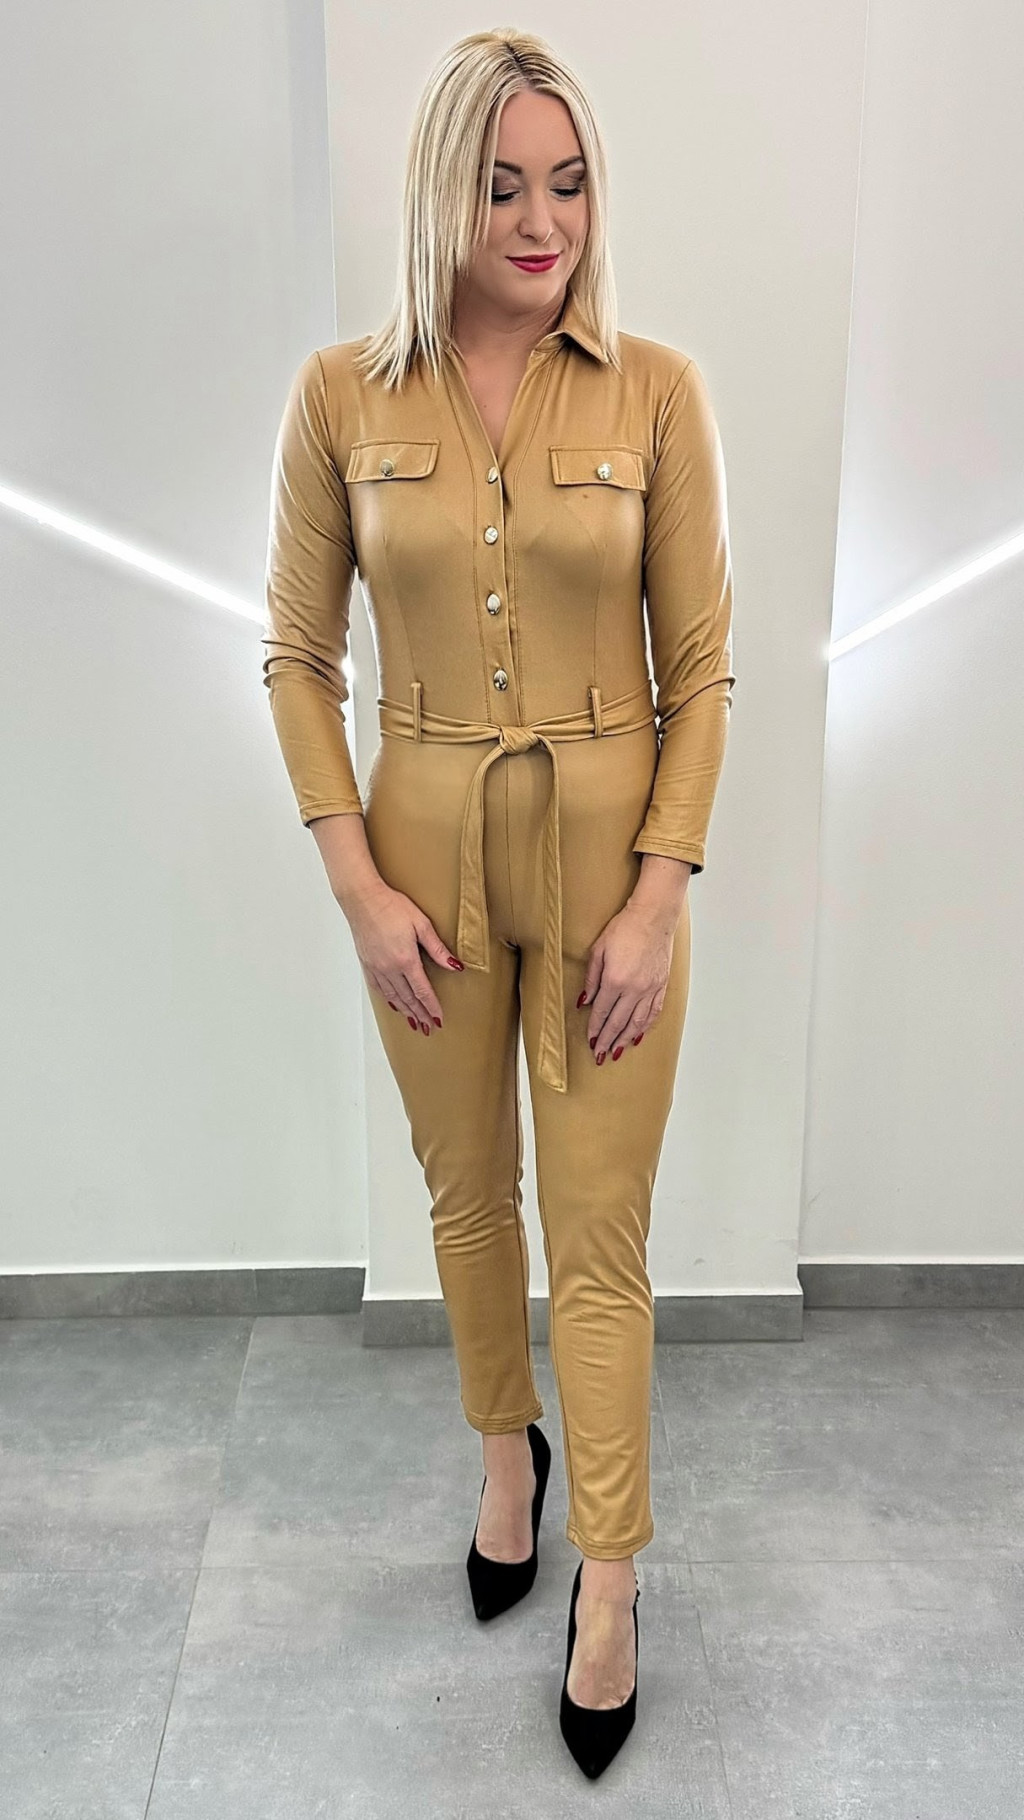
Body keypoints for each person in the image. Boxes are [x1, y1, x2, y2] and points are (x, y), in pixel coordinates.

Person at [261, 26, 735, 1780]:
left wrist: (657, 904)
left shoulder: (657, 392)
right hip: (421, 850)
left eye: (570, 183)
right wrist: (358, 889)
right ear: (440, 196)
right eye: (504, 184)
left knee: (598, 1231)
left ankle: (611, 1577)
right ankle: (500, 1460)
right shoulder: (340, 397)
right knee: (468, 1197)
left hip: (610, 857)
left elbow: (703, 667)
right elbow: (297, 657)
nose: (543, 221)